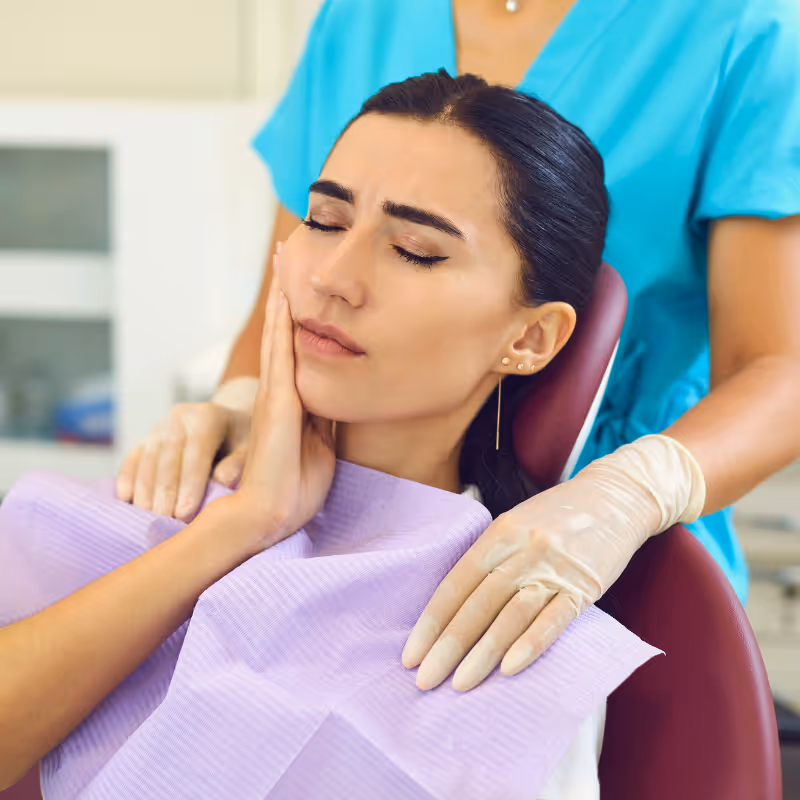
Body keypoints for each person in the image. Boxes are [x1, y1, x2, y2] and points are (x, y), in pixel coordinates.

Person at [0, 73, 673, 798]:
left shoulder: (514, 635)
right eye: (324, 221)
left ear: (531, 337)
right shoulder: (167, 492)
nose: (335, 277)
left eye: (415, 249)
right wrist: (238, 527)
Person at [118, 0, 800, 691]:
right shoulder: (361, 17)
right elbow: (295, 283)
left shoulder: (743, 31)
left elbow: (781, 369)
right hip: (320, 509)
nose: (342, 272)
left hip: (610, 554)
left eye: (416, 251)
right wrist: (241, 404)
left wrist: (627, 495)